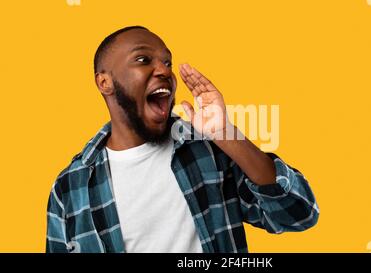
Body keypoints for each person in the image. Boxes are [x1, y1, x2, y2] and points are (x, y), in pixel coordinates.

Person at [46, 26, 319, 253]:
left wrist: (227, 135)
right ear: (104, 82)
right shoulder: (71, 187)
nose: (164, 70)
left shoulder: (208, 150)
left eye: (167, 62)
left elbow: (299, 214)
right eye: (143, 60)